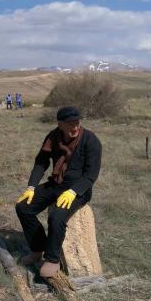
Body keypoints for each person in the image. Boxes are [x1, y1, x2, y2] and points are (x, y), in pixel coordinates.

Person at [14, 106, 102, 278]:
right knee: (23, 207)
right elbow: (41, 162)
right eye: (70, 124)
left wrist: (74, 191)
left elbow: (91, 174)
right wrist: (31, 186)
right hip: (55, 184)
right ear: (60, 124)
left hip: (78, 189)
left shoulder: (91, 140)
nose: (75, 127)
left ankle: (52, 259)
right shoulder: (53, 137)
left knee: (57, 216)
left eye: (77, 122)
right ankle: (37, 249)